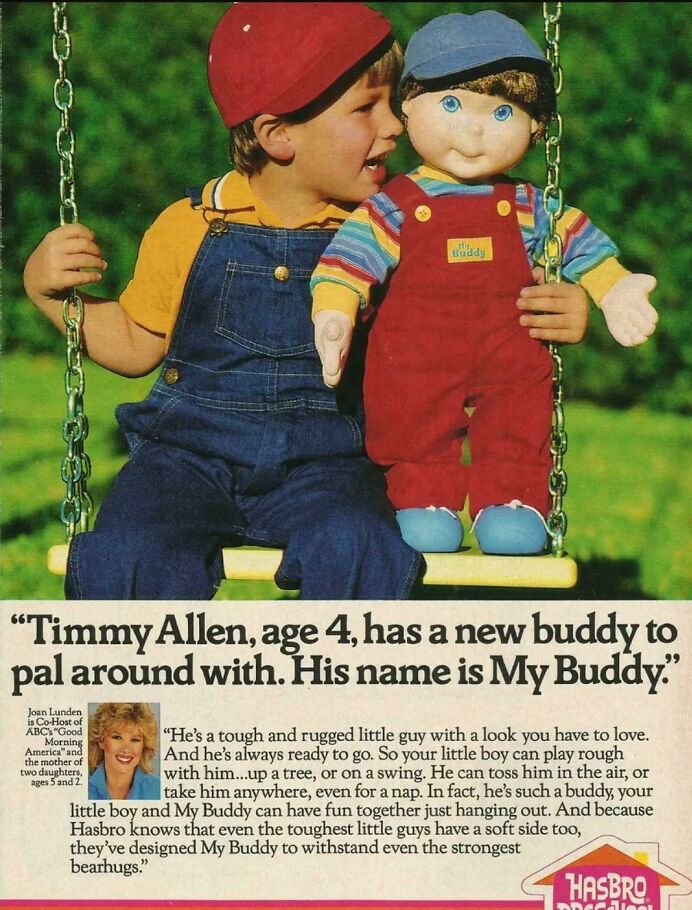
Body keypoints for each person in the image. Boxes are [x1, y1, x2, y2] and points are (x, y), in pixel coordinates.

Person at [24, 4, 588, 599]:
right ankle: (144, 692)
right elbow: (137, 344)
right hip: (186, 458)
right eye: (366, 108)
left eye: (394, 102)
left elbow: (473, 321)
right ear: (279, 134)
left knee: (361, 547)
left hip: (330, 463)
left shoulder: (391, 230)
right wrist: (51, 296)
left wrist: (559, 311)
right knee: (128, 552)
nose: (395, 125)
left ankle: (341, 689)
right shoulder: (191, 224)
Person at [311, 11, 657, 556]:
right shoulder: (396, 206)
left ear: (537, 127)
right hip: (417, 363)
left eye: (502, 112)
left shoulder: (524, 204)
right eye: (451, 105)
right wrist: (333, 310)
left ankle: (513, 503)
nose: (475, 130)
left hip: (509, 355)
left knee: (519, 423)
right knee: (415, 426)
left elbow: (579, 240)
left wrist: (614, 288)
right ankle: (425, 498)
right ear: (409, 106)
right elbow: (348, 261)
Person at [87, 703, 160, 801]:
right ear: (101, 741)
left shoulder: (159, 790)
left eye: (135, 740)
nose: (126, 748)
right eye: (117, 737)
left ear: (144, 745)